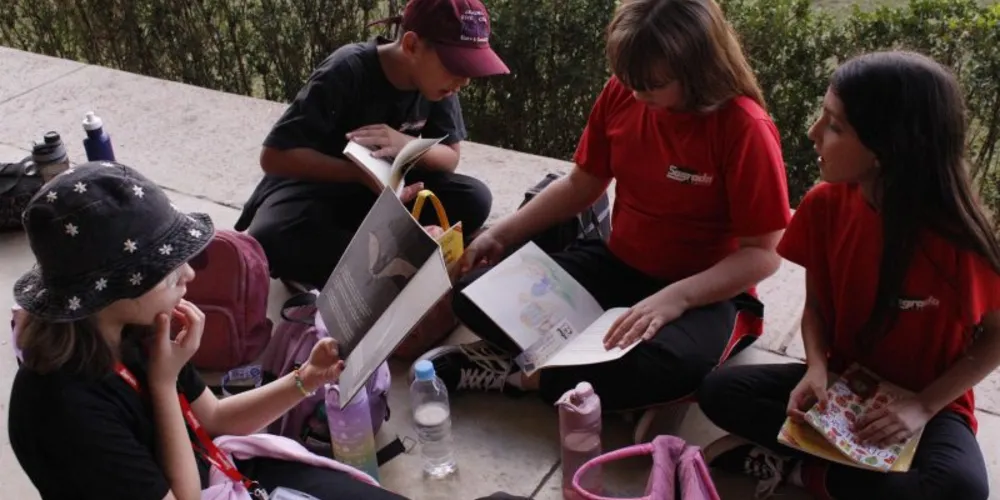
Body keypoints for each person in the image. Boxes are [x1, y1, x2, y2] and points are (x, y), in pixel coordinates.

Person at [413, 0, 792, 413]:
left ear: (697, 69)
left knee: (670, 368)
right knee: (473, 293)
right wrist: (503, 233)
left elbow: (763, 254)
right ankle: (567, 370)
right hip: (619, 265)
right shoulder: (623, 94)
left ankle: (524, 373)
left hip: (705, 294)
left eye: (651, 84)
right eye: (628, 79)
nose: (635, 93)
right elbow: (582, 184)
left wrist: (676, 299)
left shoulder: (743, 127)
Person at [696, 51, 999, 500]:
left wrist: (921, 406)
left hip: (930, 403)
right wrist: (816, 368)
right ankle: (850, 473)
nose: (814, 133)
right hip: (841, 384)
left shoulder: (960, 241)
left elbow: (994, 338)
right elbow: (816, 306)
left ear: (886, 149)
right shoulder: (825, 205)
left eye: (835, 126)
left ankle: (807, 473)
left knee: (961, 489)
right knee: (720, 390)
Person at [8, 162, 408, 500]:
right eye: (166, 274)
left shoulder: (134, 328)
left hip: (220, 471)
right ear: (112, 292)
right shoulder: (63, 412)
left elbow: (213, 418)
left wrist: (305, 379)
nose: (189, 274)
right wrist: (164, 386)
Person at [234, 0, 509, 290]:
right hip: (316, 188)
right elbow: (275, 157)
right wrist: (356, 174)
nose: (463, 80)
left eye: (469, 69)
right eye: (456, 66)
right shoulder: (348, 69)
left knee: (475, 197)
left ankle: (371, 257)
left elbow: (450, 156)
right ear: (412, 45)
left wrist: (403, 143)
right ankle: (392, 257)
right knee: (273, 236)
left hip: (382, 191)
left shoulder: (438, 85)